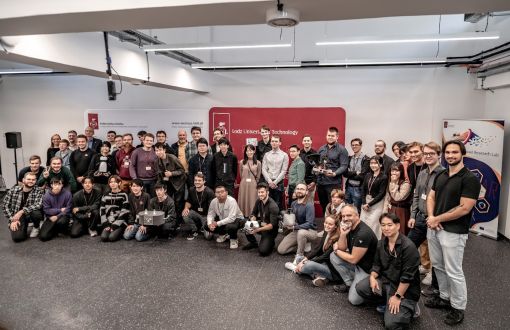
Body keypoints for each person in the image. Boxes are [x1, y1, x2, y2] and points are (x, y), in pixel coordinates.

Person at [424, 140, 481, 325]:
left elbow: (464, 208)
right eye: (447, 152)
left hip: (453, 232)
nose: (450, 155)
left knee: (454, 271)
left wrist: (437, 219)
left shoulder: (470, 179)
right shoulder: (441, 174)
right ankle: (444, 297)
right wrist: (432, 217)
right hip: (434, 228)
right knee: (438, 266)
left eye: (454, 152)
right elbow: (431, 196)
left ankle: (458, 307)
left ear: (462, 154)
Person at [356, 213, 421, 330]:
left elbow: (407, 277)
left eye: (390, 225)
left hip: (404, 289)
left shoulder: (409, 247)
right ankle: (387, 302)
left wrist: (397, 296)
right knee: (361, 288)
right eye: (383, 225)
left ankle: (411, 307)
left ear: (397, 226)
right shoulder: (381, 243)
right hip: (387, 282)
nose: (386, 228)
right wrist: (372, 277)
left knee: (392, 324)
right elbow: (376, 265)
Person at [408, 142, 444, 292]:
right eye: (426, 153)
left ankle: (431, 274)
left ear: (438, 155)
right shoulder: (422, 173)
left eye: (432, 153)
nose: (428, 156)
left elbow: (442, 200)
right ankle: (408, 273)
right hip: (420, 218)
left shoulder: (443, 175)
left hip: (434, 220)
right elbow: (417, 195)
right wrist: (413, 215)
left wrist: (436, 218)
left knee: (435, 252)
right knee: (408, 245)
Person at [329, 205, 378, 305]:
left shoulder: (363, 233)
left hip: (367, 270)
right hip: (358, 265)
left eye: (349, 215)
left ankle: (368, 288)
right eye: (343, 216)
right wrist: (343, 234)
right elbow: (342, 248)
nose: (346, 218)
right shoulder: (349, 227)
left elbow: (353, 259)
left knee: (354, 300)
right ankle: (350, 284)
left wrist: (336, 251)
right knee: (334, 257)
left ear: (357, 215)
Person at [293, 215, 342, 287]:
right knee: (299, 258)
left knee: (308, 265)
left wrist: (305, 262)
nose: (327, 225)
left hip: (331, 269)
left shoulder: (337, 238)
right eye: (326, 222)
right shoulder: (326, 232)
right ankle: (320, 276)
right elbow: (318, 249)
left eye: (330, 224)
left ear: (335, 226)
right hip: (323, 263)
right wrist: (306, 259)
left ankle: (295, 268)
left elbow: (325, 257)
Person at [278, 183, 317, 266]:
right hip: (298, 229)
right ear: (295, 191)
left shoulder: (309, 205)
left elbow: (310, 224)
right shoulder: (294, 203)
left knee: (301, 233)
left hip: (310, 231)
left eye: (302, 189)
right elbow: (293, 218)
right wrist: (287, 223)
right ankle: (303, 245)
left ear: (306, 192)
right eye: (298, 188)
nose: (299, 190)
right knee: (281, 250)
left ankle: (300, 256)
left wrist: (295, 227)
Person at [315, 127, 349, 215]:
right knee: (325, 207)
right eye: (328, 135)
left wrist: (334, 173)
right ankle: (327, 226)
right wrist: (318, 167)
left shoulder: (342, 150)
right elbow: (318, 163)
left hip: (333, 184)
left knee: (336, 208)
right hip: (321, 183)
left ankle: (336, 227)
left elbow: (344, 166)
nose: (330, 137)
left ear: (337, 137)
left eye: (332, 136)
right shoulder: (321, 149)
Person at [2, 172, 44, 242]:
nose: (31, 181)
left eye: (33, 180)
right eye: (29, 179)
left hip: (30, 214)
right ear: (23, 180)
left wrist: (22, 211)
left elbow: (39, 204)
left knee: (36, 213)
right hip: (17, 216)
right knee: (18, 238)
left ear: (36, 181)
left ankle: (36, 226)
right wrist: (13, 219)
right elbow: (5, 206)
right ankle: (24, 225)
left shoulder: (38, 190)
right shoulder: (13, 190)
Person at [242, 183, 279, 256]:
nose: (260, 194)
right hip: (262, 224)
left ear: (267, 192)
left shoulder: (273, 206)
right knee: (246, 223)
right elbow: (253, 214)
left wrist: (257, 230)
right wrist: (252, 221)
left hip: (270, 230)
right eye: (259, 192)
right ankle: (253, 243)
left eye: (262, 192)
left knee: (263, 252)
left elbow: (272, 225)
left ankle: (271, 242)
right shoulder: (258, 201)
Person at [155, 142, 186, 222]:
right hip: (167, 184)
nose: (158, 152)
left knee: (178, 202)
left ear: (164, 150)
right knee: (168, 201)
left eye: (160, 150)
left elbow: (182, 171)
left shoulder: (172, 157)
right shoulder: (156, 161)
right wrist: (158, 187)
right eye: (156, 150)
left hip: (178, 183)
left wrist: (171, 173)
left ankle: (179, 221)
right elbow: (159, 175)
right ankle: (170, 220)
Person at [360, 155, 388, 239]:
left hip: (377, 203)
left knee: (374, 225)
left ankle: (375, 244)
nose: (373, 165)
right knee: (363, 223)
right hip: (365, 203)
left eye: (375, 163)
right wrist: (364, 203)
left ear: (381, 165)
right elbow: (363, 190)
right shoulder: (368, 175)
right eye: (371, 163)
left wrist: (369, 204)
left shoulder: (384, 177)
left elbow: (381, 193)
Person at [182, 173, 215, 240]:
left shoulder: (209, 192)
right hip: (196, 213)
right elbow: (188, 201)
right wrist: (186, 208)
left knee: (208, 237)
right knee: (185, 214)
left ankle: (202, 226)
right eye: (195, 180)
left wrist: (209, 221)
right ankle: (194, 230)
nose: (197, 182)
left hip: (206, 215)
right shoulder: (191, 190)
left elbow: (212, 209)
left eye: (199, 180)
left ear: (204, 181)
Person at [39, 177, 73, 241]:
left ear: (62, 185)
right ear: (51, 185)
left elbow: (68, 209)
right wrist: (59, 210)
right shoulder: (46, 196)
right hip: (51, 217)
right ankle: (54, 229)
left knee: (62, 222)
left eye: (59, 184)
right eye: (55, 184)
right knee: (43, 237)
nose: (57, 186)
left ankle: (61, 230)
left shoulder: (68, 194)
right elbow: (46, 210)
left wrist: (57, 216)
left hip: (63, 216)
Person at [100, 175, 132, 242]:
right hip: (108, 222)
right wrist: (105, 224)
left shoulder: (124, 195)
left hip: (120, 222)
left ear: (119, 183)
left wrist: (115, 225)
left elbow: (124, 212)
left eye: (115, 182)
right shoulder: (105, 195)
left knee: (112, 238)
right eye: (111, 182)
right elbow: (102, 210)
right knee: (103, 238)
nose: (113, 184)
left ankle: (121, 230)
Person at [383, 162, 412, 234]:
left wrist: (393, 183)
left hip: (401, 211)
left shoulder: (406, 184)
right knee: (389, 231)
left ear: (401, 171)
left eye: (396, 171)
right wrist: (384, 211)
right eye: (392, 171)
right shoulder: (390, 182)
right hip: (391, 209)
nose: (394, 173)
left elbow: (397, 198)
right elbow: (387, 197)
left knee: (399, 232)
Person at [261, 135, 289, 210]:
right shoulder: (266, 155)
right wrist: (270, 181)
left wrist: (275, 182)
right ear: (270, 142)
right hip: (268, 182)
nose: (274, 143)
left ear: (280, 143)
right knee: (267, 203)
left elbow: (284, 171)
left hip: (279, 183)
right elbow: (264, 169)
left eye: (276, 141)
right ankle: (267, 221)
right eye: (272, 141)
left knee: (278, 204)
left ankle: (277, 221)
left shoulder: (284, 155)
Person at [343, 138, 370, 213]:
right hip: (348, 188)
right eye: (352, 145)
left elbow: (362, 176)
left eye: (356, 145)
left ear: (361, 146)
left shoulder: (366, 159)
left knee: (357, 211)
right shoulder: (350, 158)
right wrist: (355, 172)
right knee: (347, 209)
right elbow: (345, 173)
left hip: (358, 189)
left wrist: (350, 173)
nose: (354, 146)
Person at [238, 144, 261, 216]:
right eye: (247, 151)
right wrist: (244, 180)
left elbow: (258, 175)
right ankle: (243, 215)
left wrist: (254, 182)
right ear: (245, 152)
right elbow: (241, 173)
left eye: (251, 150)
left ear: (254, 151)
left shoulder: (258, 162)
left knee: (252, 200)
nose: (249, 152)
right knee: (244, 199)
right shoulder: (242, 162)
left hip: (253, 184)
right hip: (244, 184)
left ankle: (253, 215)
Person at [299, 134, 317, 204]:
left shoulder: (315, 154)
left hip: (311, 182)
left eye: (308, 140)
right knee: (300, 201)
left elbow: (317, 169)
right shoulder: (299, 153)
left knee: (310, 202)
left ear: (311, 142)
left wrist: (314, 182)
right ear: (302, 142)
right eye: (305, 140)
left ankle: (309, 215)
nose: (306, 142)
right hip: (300, 182)